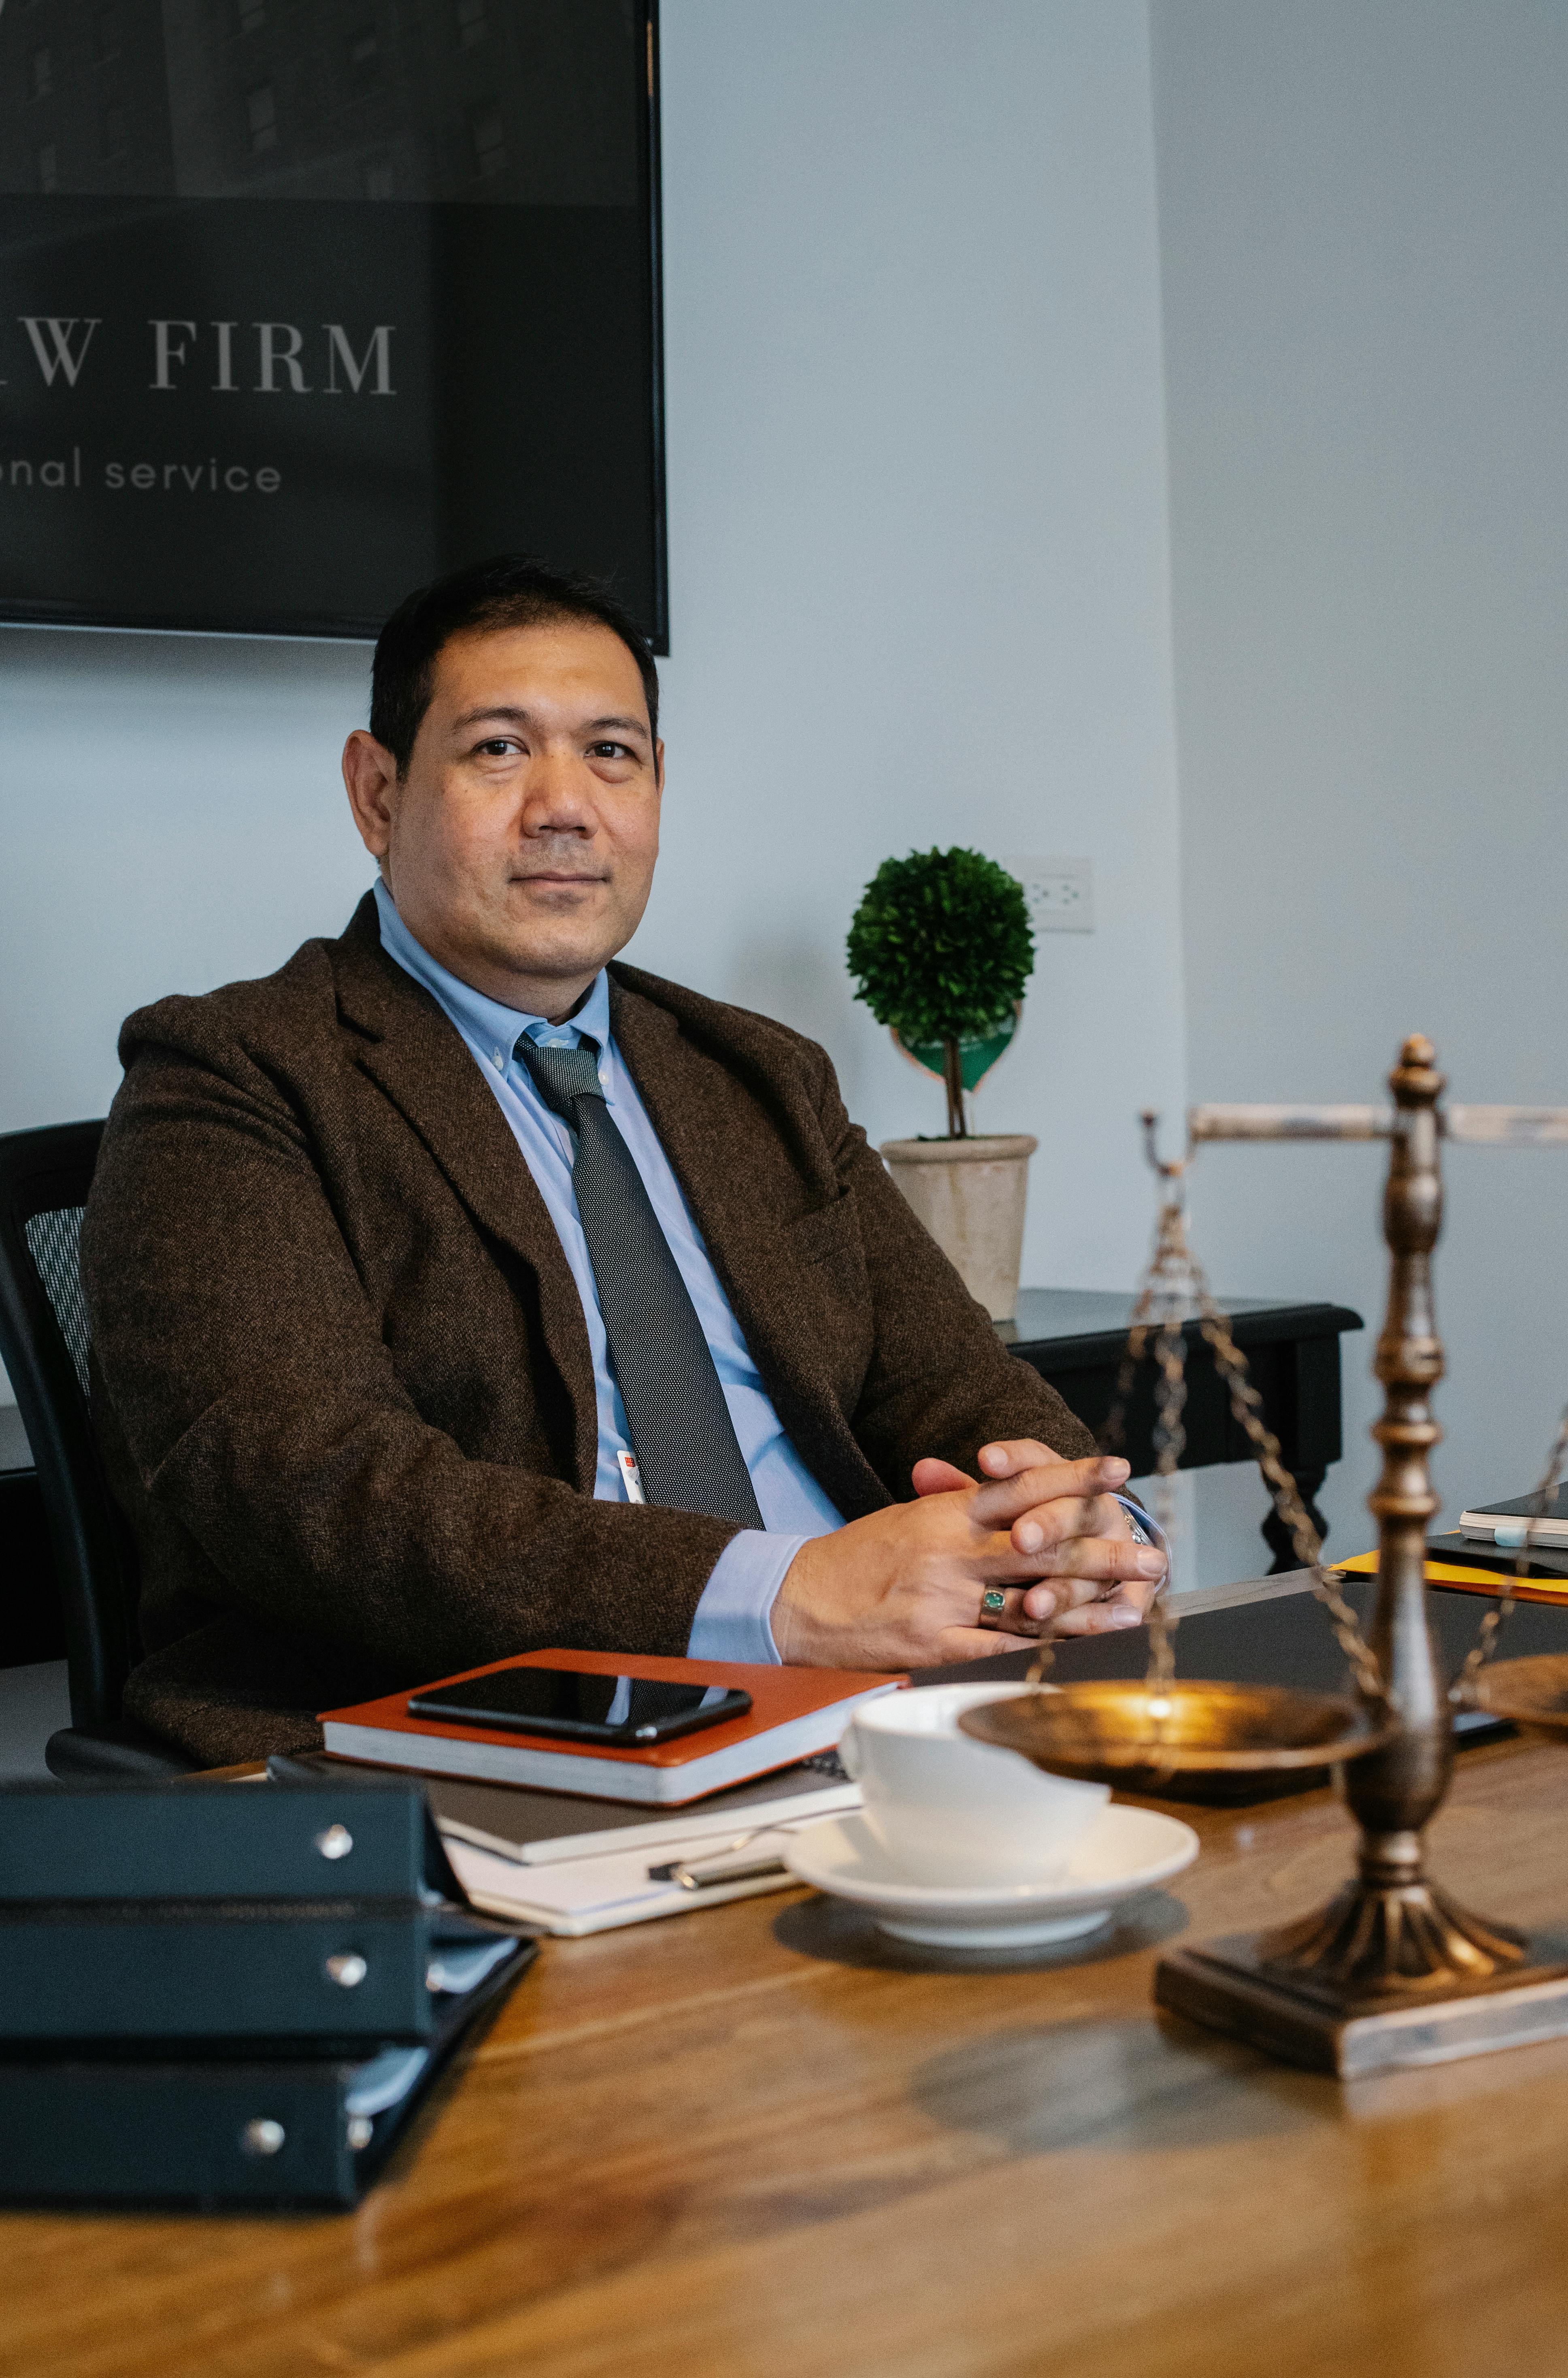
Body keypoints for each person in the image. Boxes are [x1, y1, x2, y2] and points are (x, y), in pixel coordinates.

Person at [81, 556, 1165, 1763]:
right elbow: (310, 1490)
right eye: (499, 749)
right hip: (484, 1731)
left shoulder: (756, 1072)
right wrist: (783, 1595)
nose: (566, 804)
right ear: (378, 794)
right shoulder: (235, 1072)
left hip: (879, 1710)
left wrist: (1072, 1523)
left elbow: (950, 1381)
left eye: (612, 753)